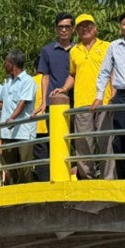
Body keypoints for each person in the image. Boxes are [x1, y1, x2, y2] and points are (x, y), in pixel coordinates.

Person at [52, 13, 111, 179]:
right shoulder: (74, 51)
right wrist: (64, 88)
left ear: (95, 28)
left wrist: (112, 95)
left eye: (88, 26)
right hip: (82, 102)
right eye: (81, 27)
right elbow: (73, 74)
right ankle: (87, 179)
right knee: (83, 143)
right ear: (76, 31)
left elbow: (113, 71)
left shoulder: (107, 46)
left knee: (106, 141)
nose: (85, 29)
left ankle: (108, 179)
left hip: (103, 100)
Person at [93, 10, 125, 179]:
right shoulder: (114, 46)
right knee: (118, 139)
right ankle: (123, 177)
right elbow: (104, 72)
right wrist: (99, 96)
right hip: (121, 96)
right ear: (120, 27)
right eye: (124, 24)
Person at [33, 12, 74, 181]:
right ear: (56, 29)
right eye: (60, 27)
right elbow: (45, 76)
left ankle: (76, 178)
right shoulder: (47, 50)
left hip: (77, 101)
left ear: (73, 29)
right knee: (56, 141)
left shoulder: (78, 49)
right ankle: (58, 177)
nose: (64, 30)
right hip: (54, 104)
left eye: (67, 27)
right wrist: (44, 102)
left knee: (77, 140)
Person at [0, 49, 37, 185]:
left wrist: (12, 119)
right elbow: (1, 102)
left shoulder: (28, 81)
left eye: (6, 62)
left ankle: (27, 194)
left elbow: (22, 103)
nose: (4, 65)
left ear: (12, 64)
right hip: (7, 132)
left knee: (24, 169)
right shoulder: (7, 82)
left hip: (23, 132)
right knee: (9, 169)